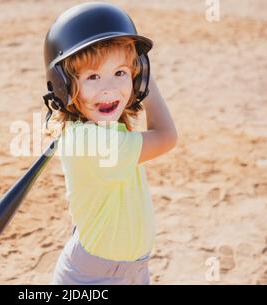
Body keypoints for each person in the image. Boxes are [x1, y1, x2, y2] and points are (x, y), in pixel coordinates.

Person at [42, 2, 178, 285]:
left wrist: (139, 77)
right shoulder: (93, 141)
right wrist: (147, 84)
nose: (110, 88)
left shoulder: (100, 128)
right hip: (94, 279)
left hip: (132, 271)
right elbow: (166, 136)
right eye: (93, 76)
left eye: (121, 72)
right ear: (64, 85)